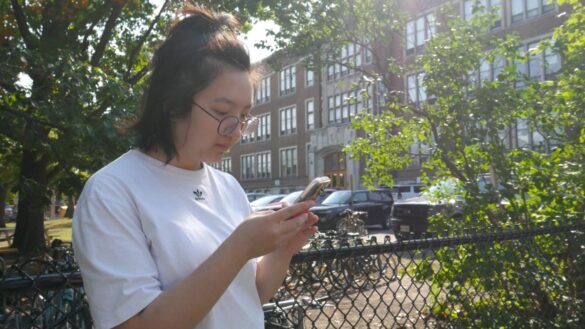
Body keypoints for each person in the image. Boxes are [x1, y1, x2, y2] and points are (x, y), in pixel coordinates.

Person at [72, 5, 318, 329]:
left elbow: (249, 296)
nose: (236, 130)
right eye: (222, 112)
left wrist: (282, 250)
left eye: (244, 116)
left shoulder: (227, 187)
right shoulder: (112, 191)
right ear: (173, 103)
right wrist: (239, 246)